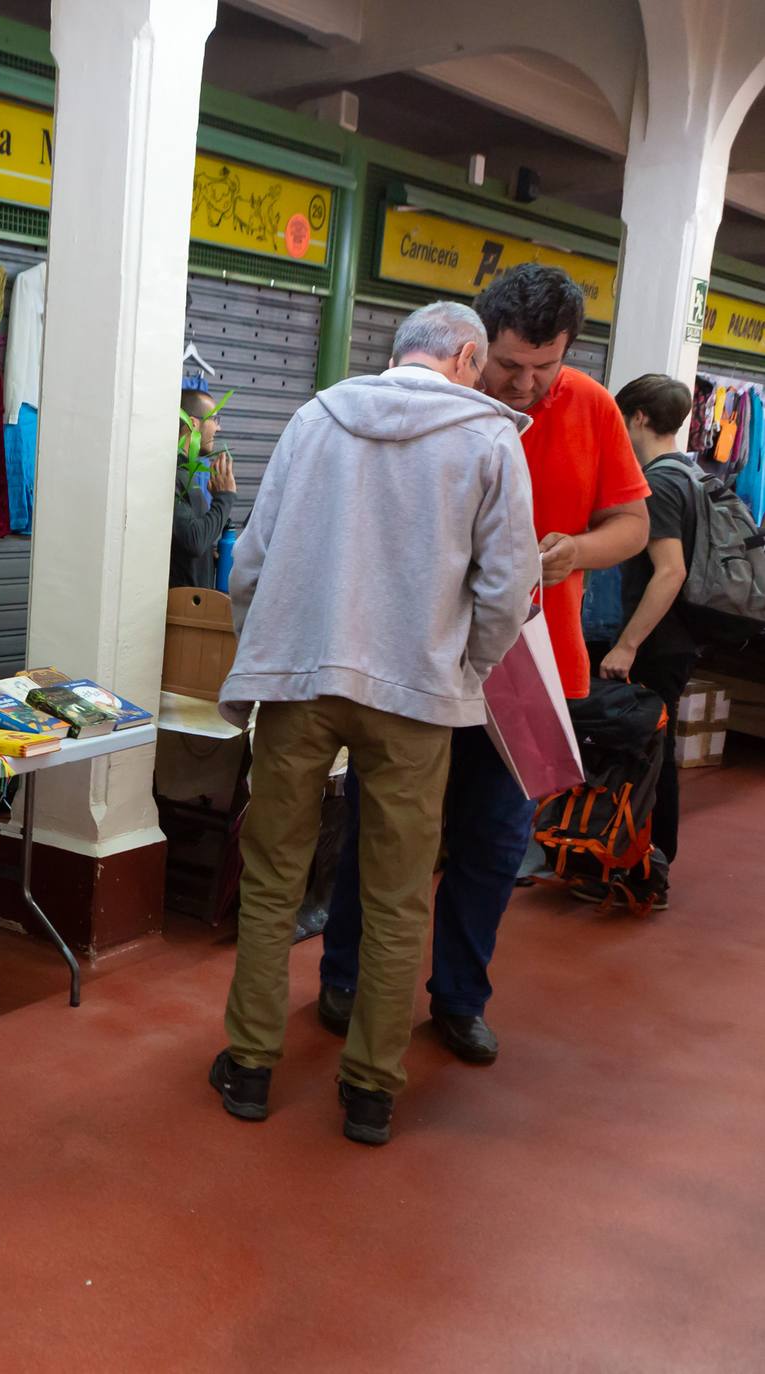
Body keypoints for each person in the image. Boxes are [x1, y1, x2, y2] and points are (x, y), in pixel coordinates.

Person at [209, 301, 537, 1145]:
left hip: (300, 677)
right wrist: (463, 668)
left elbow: (250, 558)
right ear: (466, 356)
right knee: (395, 899)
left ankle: (247, 1066)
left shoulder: (315, 418)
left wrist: (269, 646)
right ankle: (369, 1094)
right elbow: (506, 589)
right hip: (413, 695)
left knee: (272, 878)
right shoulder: (490, 439)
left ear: (397, 355)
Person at [318, 264, 650, 1065]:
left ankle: (459, 999)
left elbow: (632, 526)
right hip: (416, 662)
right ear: (475, 345)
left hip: (531, 670)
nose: (527, 384)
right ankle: (343, 978)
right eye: (509, 366)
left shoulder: (593, 408)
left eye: (546, 367)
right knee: (382, 829)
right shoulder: (430, 407)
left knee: (493, 844)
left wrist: (575, 551)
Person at [580, 374, 701, 908]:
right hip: (672, 640)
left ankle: (645, 866)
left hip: (654, 642)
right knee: (651, 750)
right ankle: (632, 861)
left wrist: (627, 644)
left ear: (639, 418)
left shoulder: (663, 483)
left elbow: (668, 571)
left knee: (649, 754)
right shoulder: (691, 473)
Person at [171, 379, 237, 589]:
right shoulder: (171, 474)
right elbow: (194, 540)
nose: (219, 427)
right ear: (193, 423)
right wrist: (224, 500)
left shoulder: (186, 473)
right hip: (180, 611)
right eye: (214, 419)